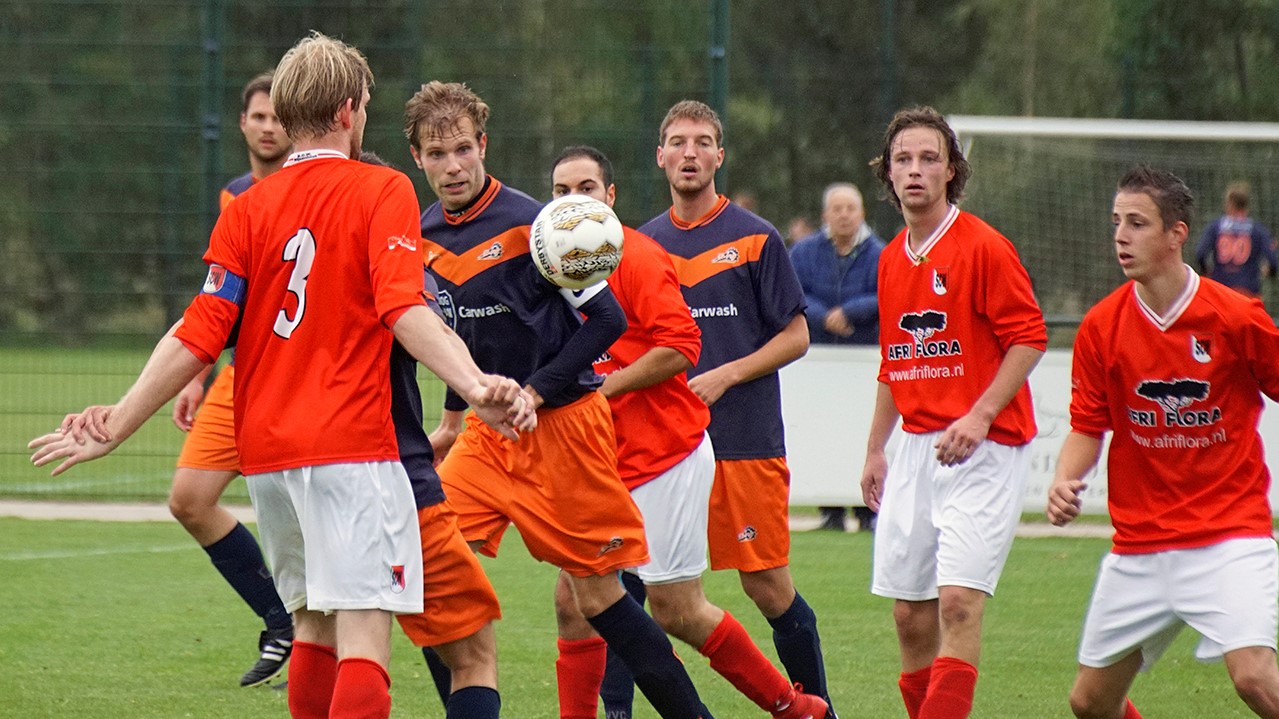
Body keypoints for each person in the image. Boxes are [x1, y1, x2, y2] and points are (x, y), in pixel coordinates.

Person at [31, 33, 530, 719]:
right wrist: (475, 388)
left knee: (312, 628)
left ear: (289, 112)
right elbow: (403, 309)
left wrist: (116, 422)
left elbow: (198, 330)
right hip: (354, 447)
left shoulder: (250, 206)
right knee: (365, 636)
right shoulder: (381, 187)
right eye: (363, 106)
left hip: (269, 458)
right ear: (349, 110)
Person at [403, 81, 715, 719]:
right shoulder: (421, 235)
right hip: (490, 437)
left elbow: (607, 320)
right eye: (436, 154)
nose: (453, 166)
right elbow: (452, 334)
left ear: (483, 145)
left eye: (463, 149)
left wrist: (536, 391)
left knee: (597, 598)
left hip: (567, 427)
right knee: (426, 561)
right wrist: (454, 418)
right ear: (417, 158)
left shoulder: (536, 225)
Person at [549, 145, 828, 719]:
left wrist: (603, 390)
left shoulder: (639, 255)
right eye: (561, 192)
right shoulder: (546, 266)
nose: (574, 202)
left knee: (678, 609)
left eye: (587, 189)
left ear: (610, 196)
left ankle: (794, 706)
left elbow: (681, 346)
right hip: (597, 457)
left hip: (663, 455)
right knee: (575, 601)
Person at [1048, 166, 1279, 719]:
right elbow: (1088, 426)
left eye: (1137, 223)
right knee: (1089, 702)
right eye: (1116, 223)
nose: (1120, 236)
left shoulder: (1235, 316)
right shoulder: (1101, 327)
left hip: (1229, 536)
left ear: (1177, 234)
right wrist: (1063, 479)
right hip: (1141, 545)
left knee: (1254, 678)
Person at [639, 99, 836, 718]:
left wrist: (727, 374)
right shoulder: (641, 245)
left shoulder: (755, 237)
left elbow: (796, 335)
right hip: (662, 450)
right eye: (678, 141)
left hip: (744, 439)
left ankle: (819, 709)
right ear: (660, 156)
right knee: (630, 593)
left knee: (767, 586)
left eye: (703, 142)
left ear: (719, 155)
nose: (690, 152)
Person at [860, 105, 1046, 719]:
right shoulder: (890, 258)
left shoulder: (984, 246)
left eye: (928, 158)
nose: (915, 169)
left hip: (984, 447)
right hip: (916, 448)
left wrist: (980, 415)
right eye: (903, 159)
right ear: (888, 174)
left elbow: (1029, 338)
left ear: (951, 171)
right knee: (909, 617)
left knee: (958, 605)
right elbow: (894, 361)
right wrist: (875, 448)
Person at [164, 70, 294, 689]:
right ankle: (279, 622)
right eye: (258, 116)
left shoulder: (310, 191)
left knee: (308, 521)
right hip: (239, 376)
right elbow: (222, 297)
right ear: (242, 124)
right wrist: (198, 374)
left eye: (278, 118)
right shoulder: (233, 195)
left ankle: (331, 645)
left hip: (297, 381)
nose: (268, 128)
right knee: (189, 499)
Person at [790, 182, 886, 534]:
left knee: (861, 432)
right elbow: (792, 290)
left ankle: (866, 509)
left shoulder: (882, 254)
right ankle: (830, 510)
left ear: (862, 213)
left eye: (850, 208)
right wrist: (823, 317)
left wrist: (849, 313)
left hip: (864, 361)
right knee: (824, 430)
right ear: (825, 215)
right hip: (817, 360)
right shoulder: (803, 252)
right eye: (837, 209)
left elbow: (887, 293)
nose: (844, 215)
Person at [1193, 181, 1276, 300]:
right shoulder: (1257, 229)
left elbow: (1200, 253)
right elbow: (1273, 259)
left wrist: (1206, 272)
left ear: (1229, 204)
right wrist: (1270, 271)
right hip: (1248, 293)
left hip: (1221, 291)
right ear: (1247, 205)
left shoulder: (1216, 226)